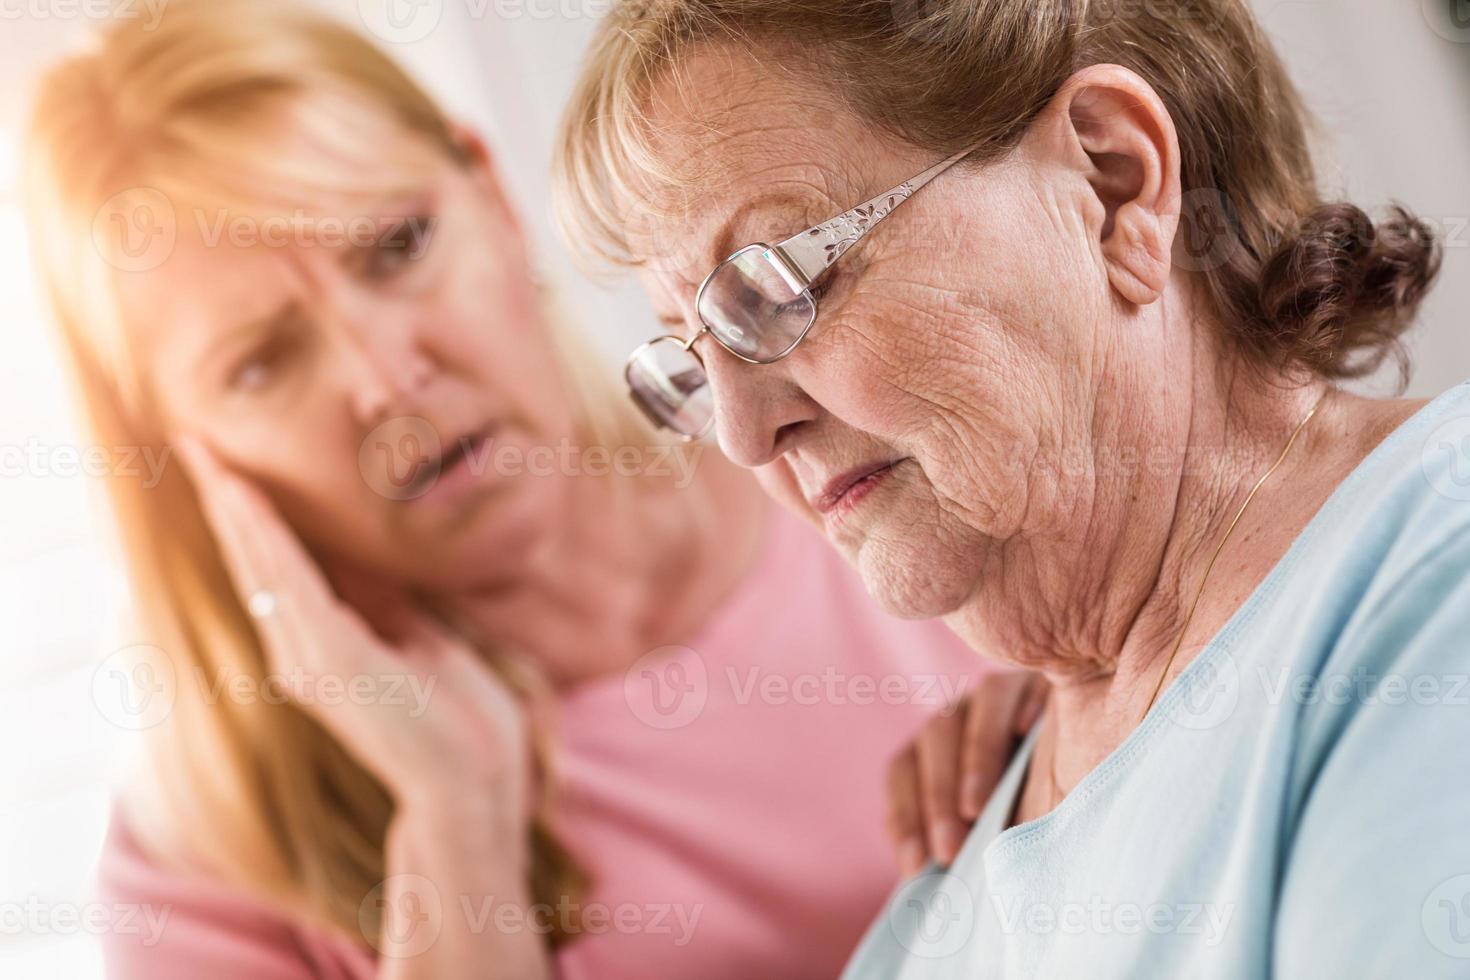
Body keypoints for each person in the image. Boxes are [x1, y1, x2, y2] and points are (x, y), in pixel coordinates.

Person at [21, 2, 1030, 976]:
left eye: (397, 246)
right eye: (262, 362)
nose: (384, 383)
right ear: (178, 449)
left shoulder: (872, 465)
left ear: (495, 200)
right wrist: (455, 815)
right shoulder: (204, 870)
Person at [556, 0, 1470, 975]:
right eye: (693, 360)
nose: (742, 437)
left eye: (779, 287)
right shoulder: (963, 843)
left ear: (1113, 183)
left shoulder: (1430, 582)